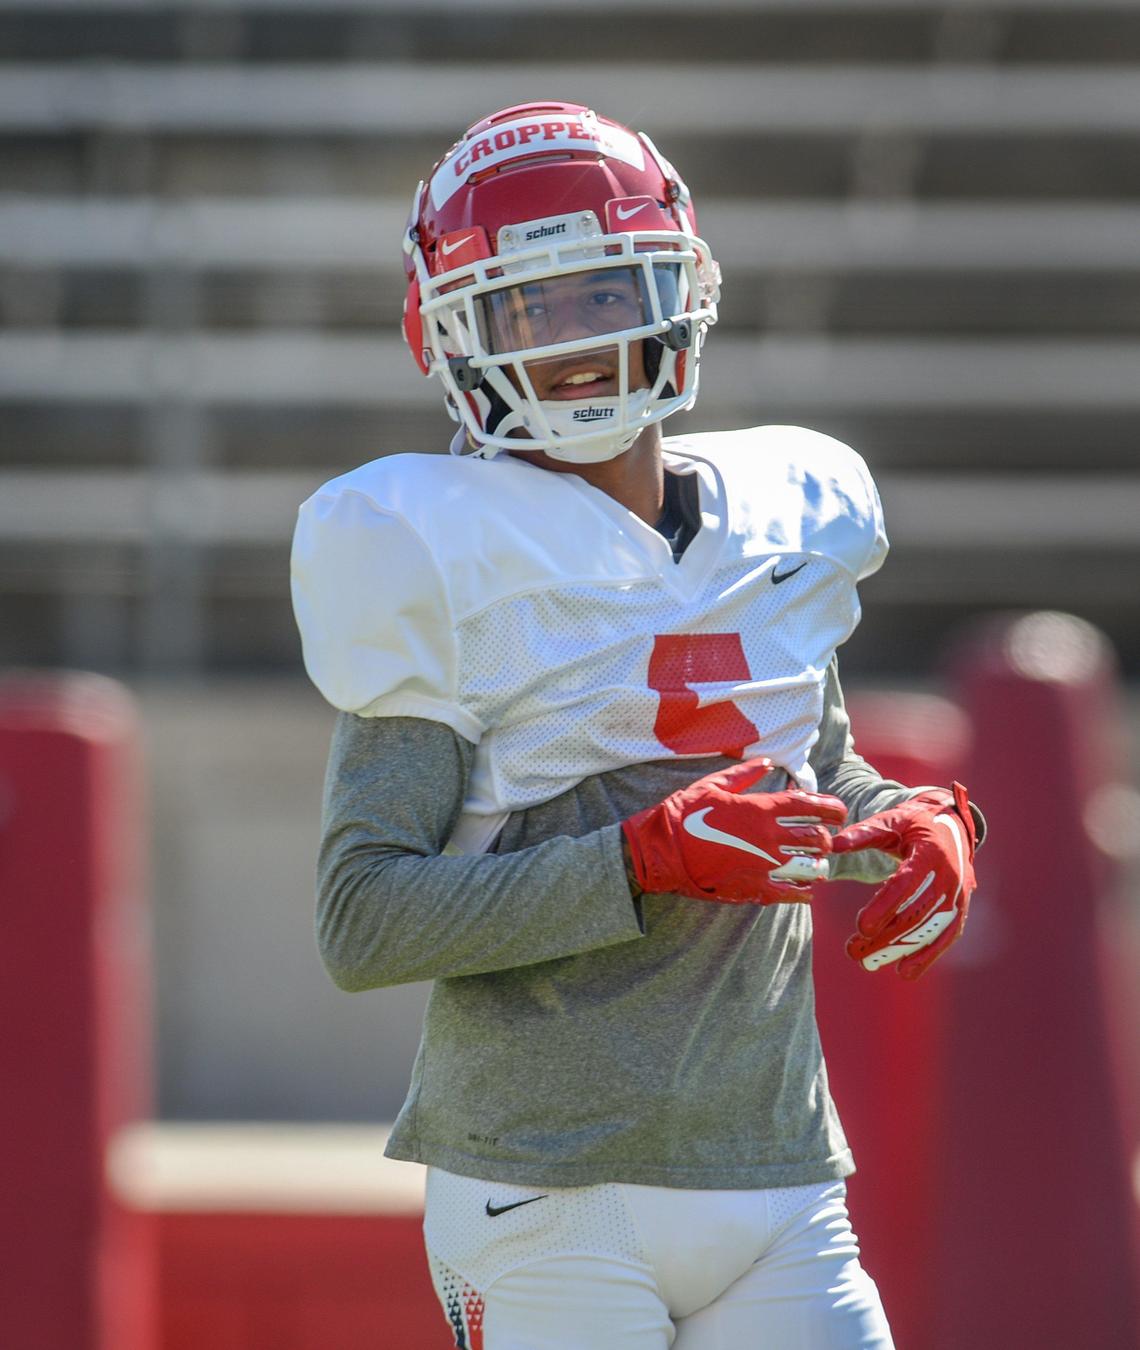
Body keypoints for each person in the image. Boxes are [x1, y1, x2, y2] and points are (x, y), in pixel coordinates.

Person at [290, 101, 982, 1350]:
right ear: (453, 335)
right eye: (528, 308)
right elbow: (364, 917)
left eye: (604, 293)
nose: (573, 343)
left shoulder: (777, 529)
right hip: (544, 1189)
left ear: (678, 290)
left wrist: (920, 820)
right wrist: (638, 862)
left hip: (776, 1172)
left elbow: (819, 772)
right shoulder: (437, 555)